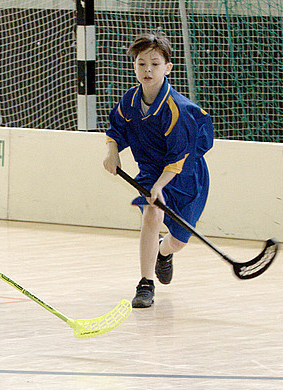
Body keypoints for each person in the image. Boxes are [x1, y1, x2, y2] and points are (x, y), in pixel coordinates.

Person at [102, 30, 214, 308]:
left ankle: (164, 253)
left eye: (154, 63)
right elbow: (117, 128)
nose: (147, 70)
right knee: (151, 213)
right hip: (152, 170)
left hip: (186, 175)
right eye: (141, 63)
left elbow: (179, 156)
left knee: (178, 242)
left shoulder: (178, 109)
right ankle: (145, 284)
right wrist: (112, 152)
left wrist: (161, 185)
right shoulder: (129, 100)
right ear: (134, 66)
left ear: (168, 68)